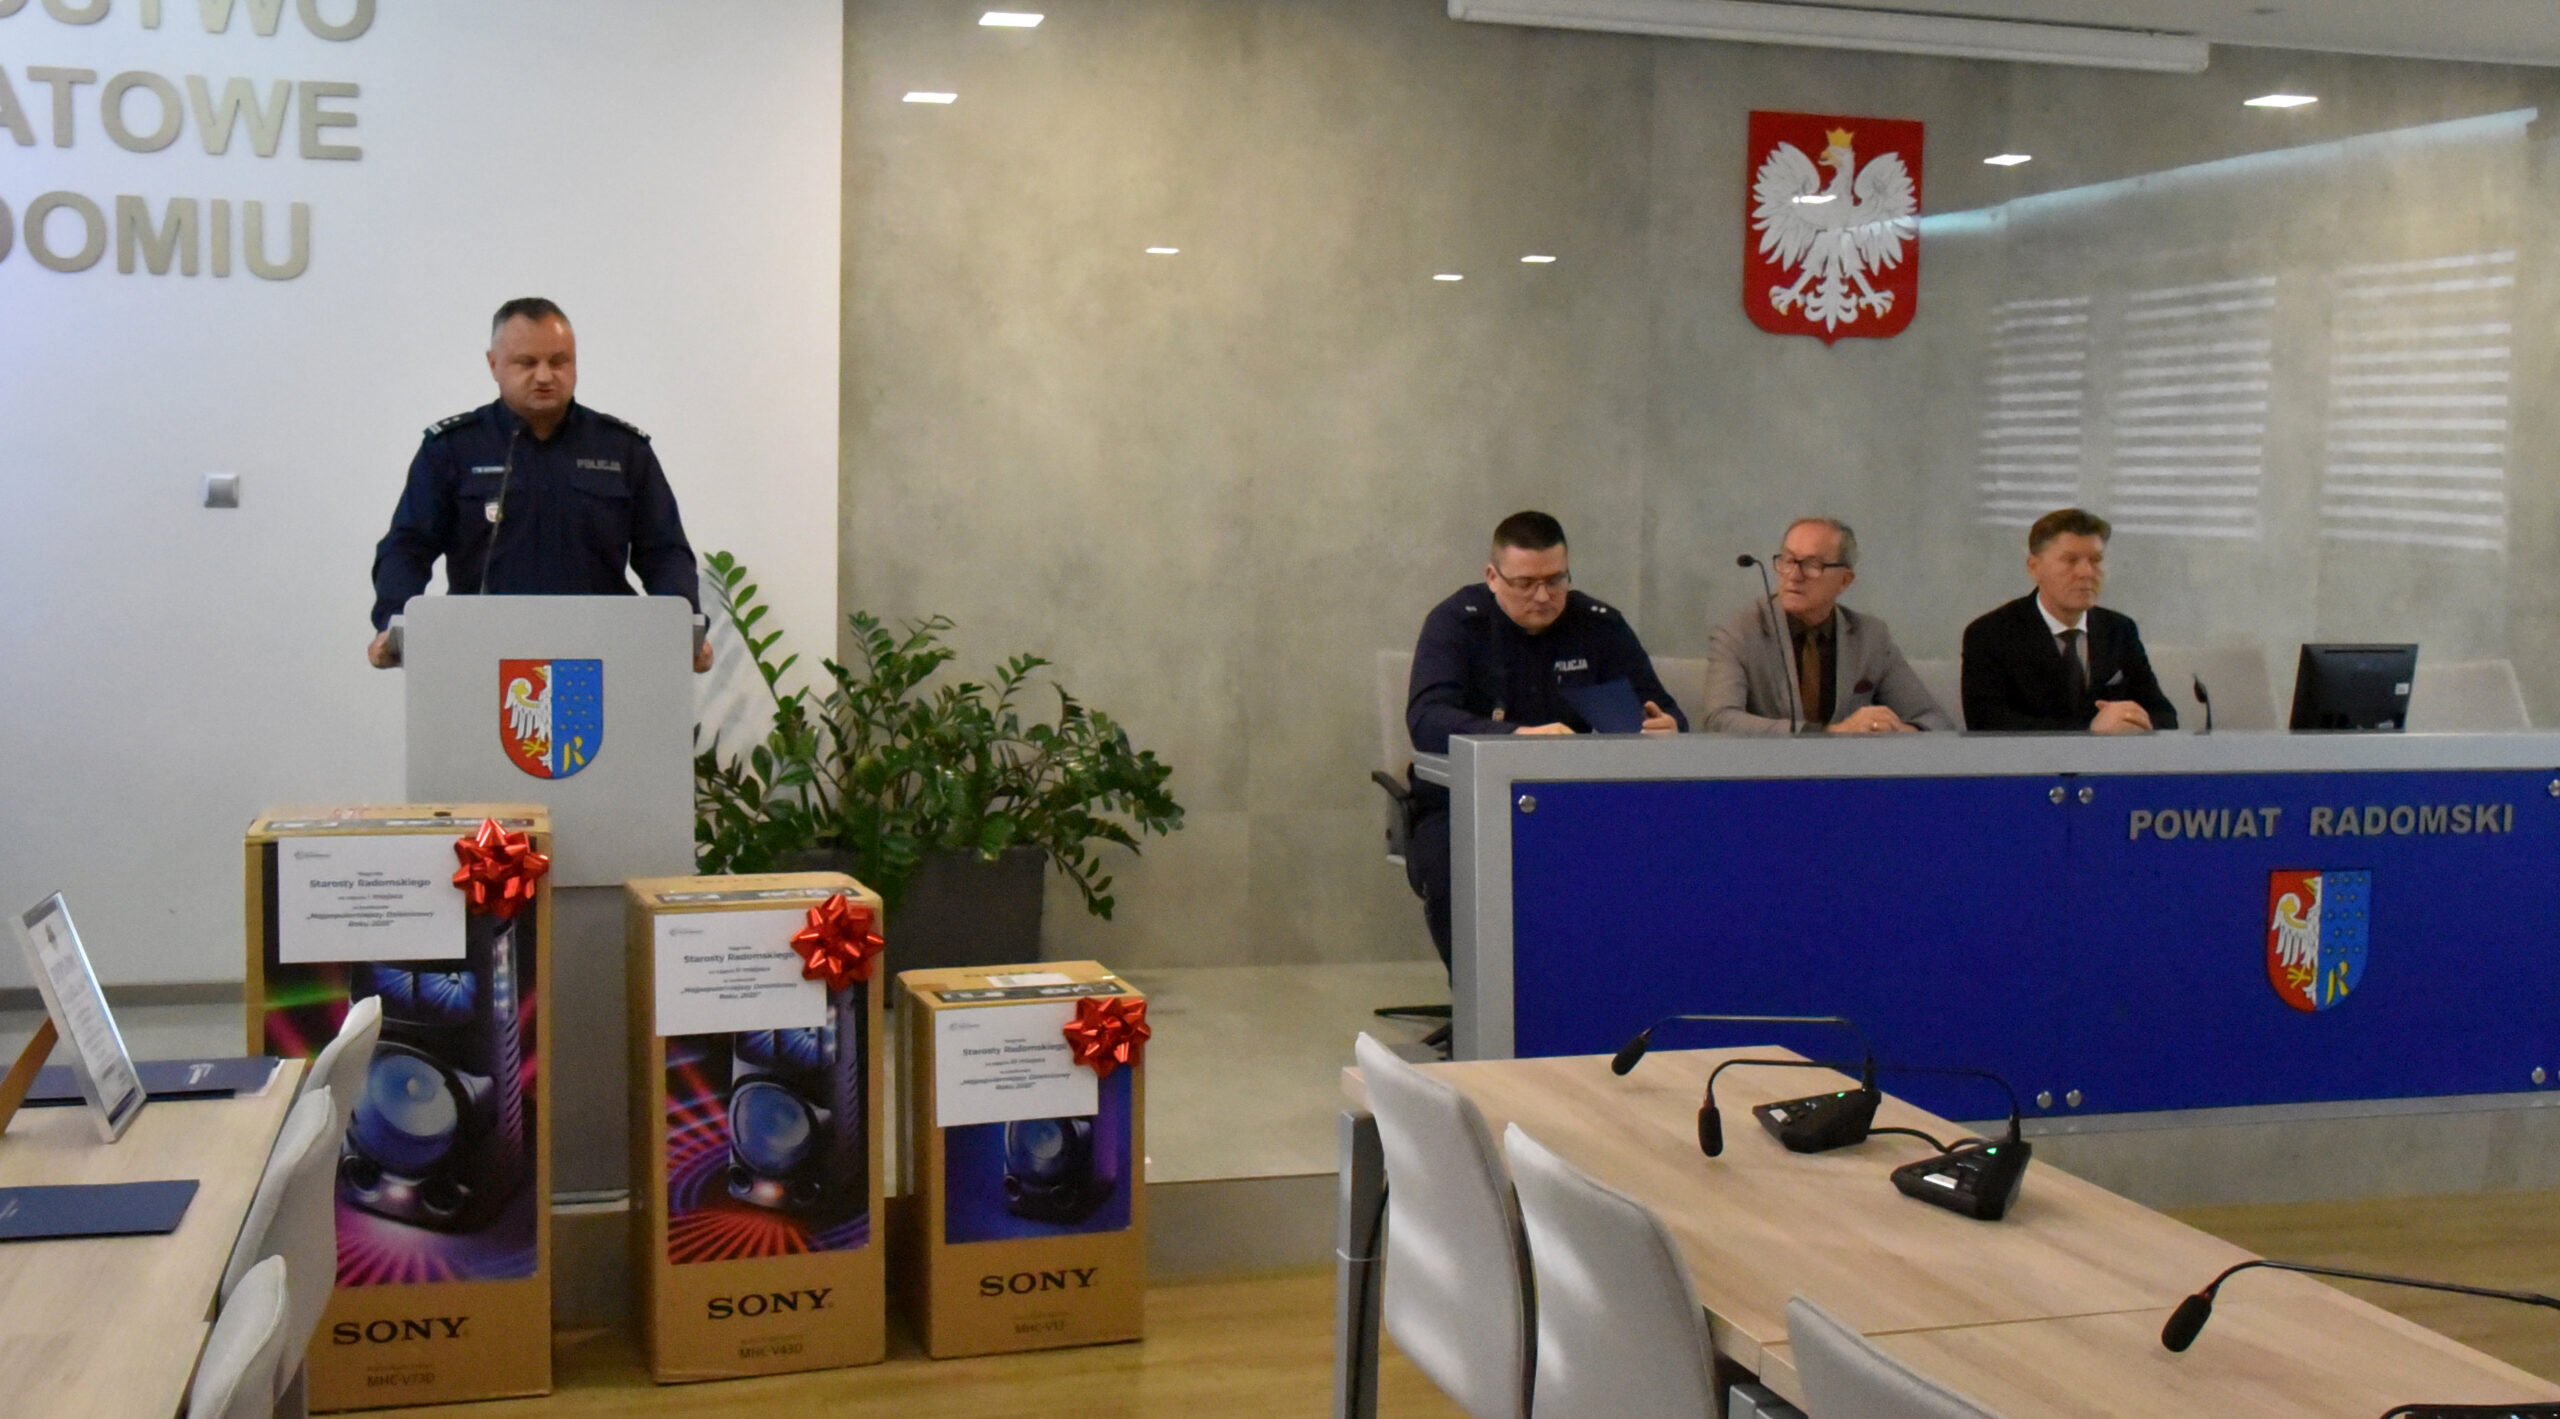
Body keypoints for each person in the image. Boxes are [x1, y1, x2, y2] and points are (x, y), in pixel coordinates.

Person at [1404, 511, 1684, 970]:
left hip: (1574, 801)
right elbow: (1427, 719)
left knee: (1661, 862)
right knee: (1456, 873)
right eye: (1525, 583)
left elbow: (1663, 710)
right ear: (1492, 577)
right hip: (1464, 804)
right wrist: (1517, 737)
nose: (1543, 595)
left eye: (1556, 580)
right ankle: (1478, 1003)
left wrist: (1667, 725)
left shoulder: (1597, 625)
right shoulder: (1457, 623)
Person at [367, 297, 709, 671]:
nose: (545, 376)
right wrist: (393, 622)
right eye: (527, 363)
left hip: (602, 655)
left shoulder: (622, 449)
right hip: (480, 655)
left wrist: (683, 627)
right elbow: (407, 547)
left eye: (559, 361)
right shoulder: (452, 449)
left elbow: (665, 552)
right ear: (493, 364)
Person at [1701, 517, 1952, 735]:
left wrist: (1891, 730)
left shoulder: (1870, 636)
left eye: (1812, 565)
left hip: (1853, 771)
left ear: (1845, 580)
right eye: (1787, 560)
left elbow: (1934, 721)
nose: (1793, 575)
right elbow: (1720, 720)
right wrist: (1829, 733)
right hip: (1768, 770)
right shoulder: (1739, 632)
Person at [1960, 507, 2176, 733]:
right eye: (2070, 560)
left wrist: (2137, 722)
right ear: (2034, 567)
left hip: (2113, 756)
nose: (2086, 572)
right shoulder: (1989, 634)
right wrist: (2091, 730)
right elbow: (1985, 724)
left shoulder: (2119, 629)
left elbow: (2164, 715)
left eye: (2096, 560)